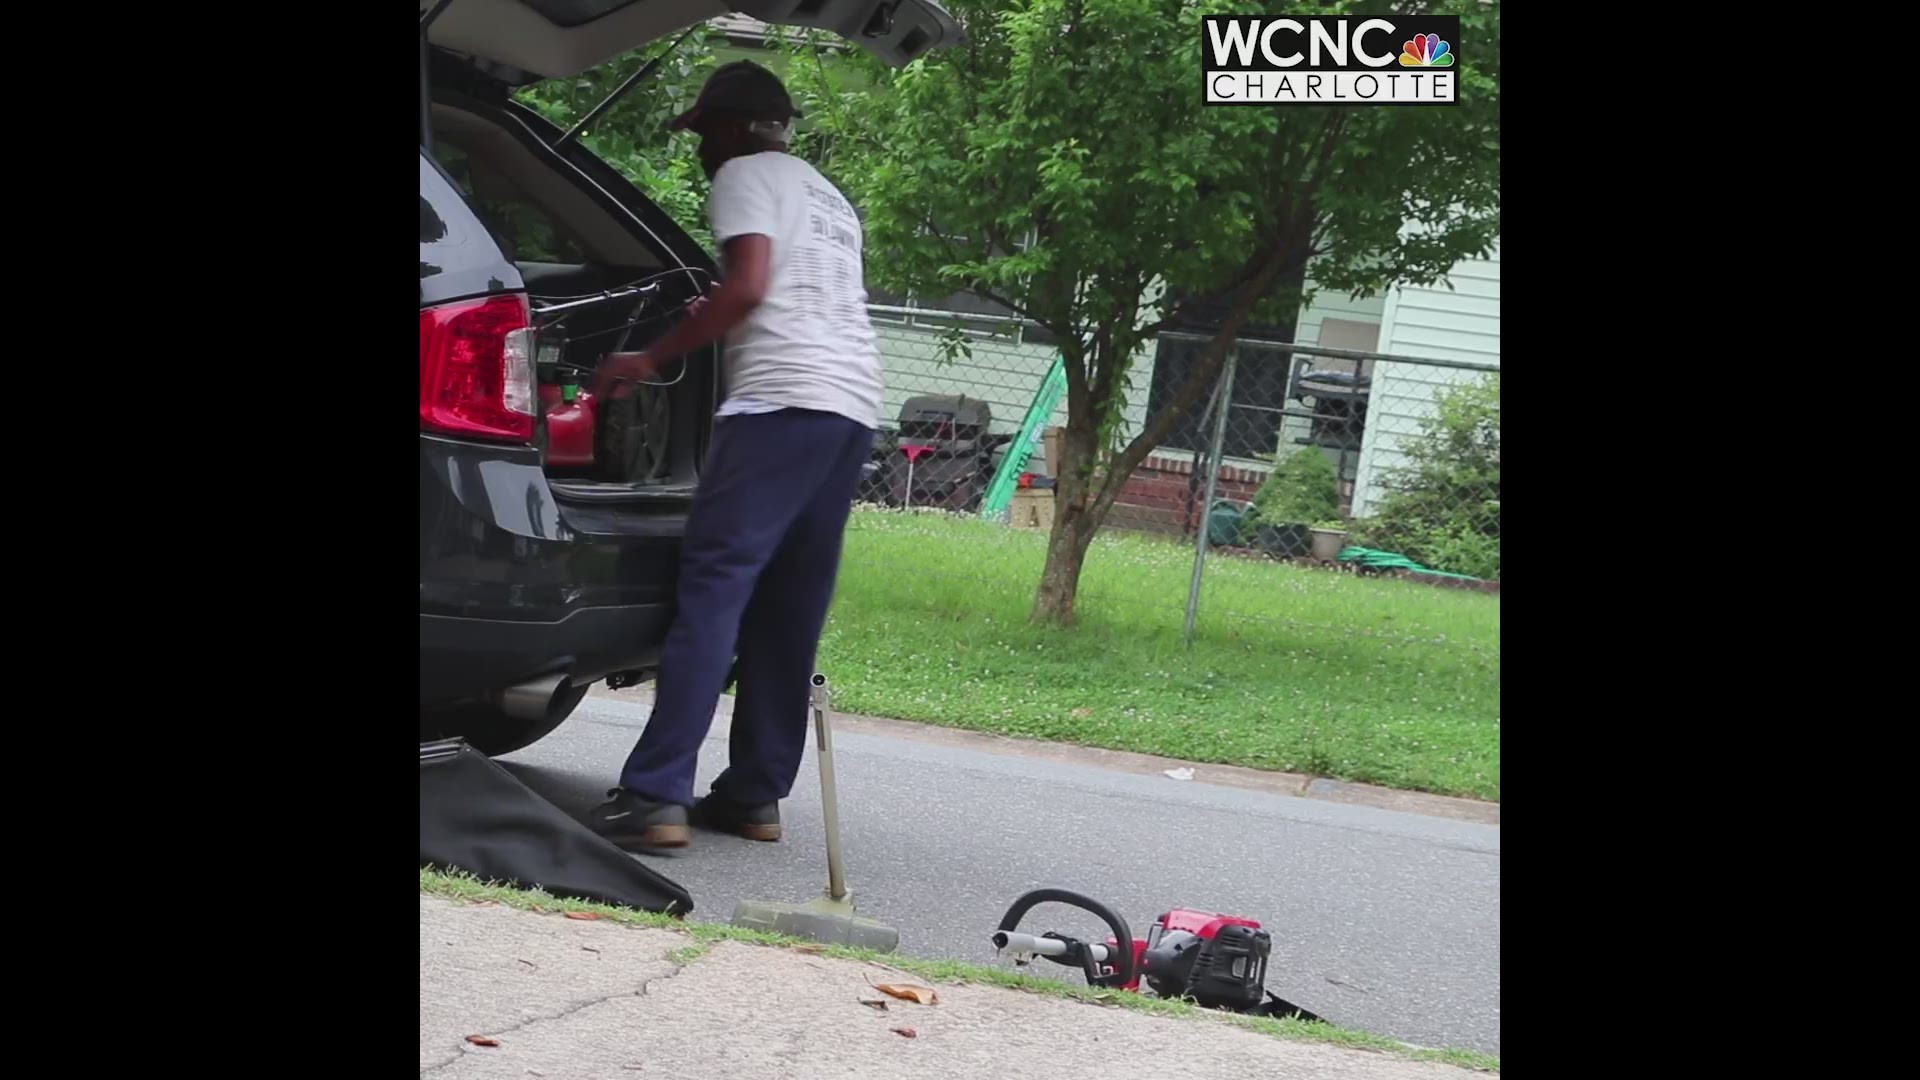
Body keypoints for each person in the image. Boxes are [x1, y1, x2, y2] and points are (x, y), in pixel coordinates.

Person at [586, 61, 883, 851]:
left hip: (778, 406)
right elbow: (788, 293)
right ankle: (753, 797)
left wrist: (648, 357)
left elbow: (749, 287)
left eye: (703, 137)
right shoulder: (826, 194)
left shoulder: (744, 175)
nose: (700, 155)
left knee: (713, 593)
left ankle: (655, 797)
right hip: (848, 407)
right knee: (791, 608)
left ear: (730, 128)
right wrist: (712, 313)